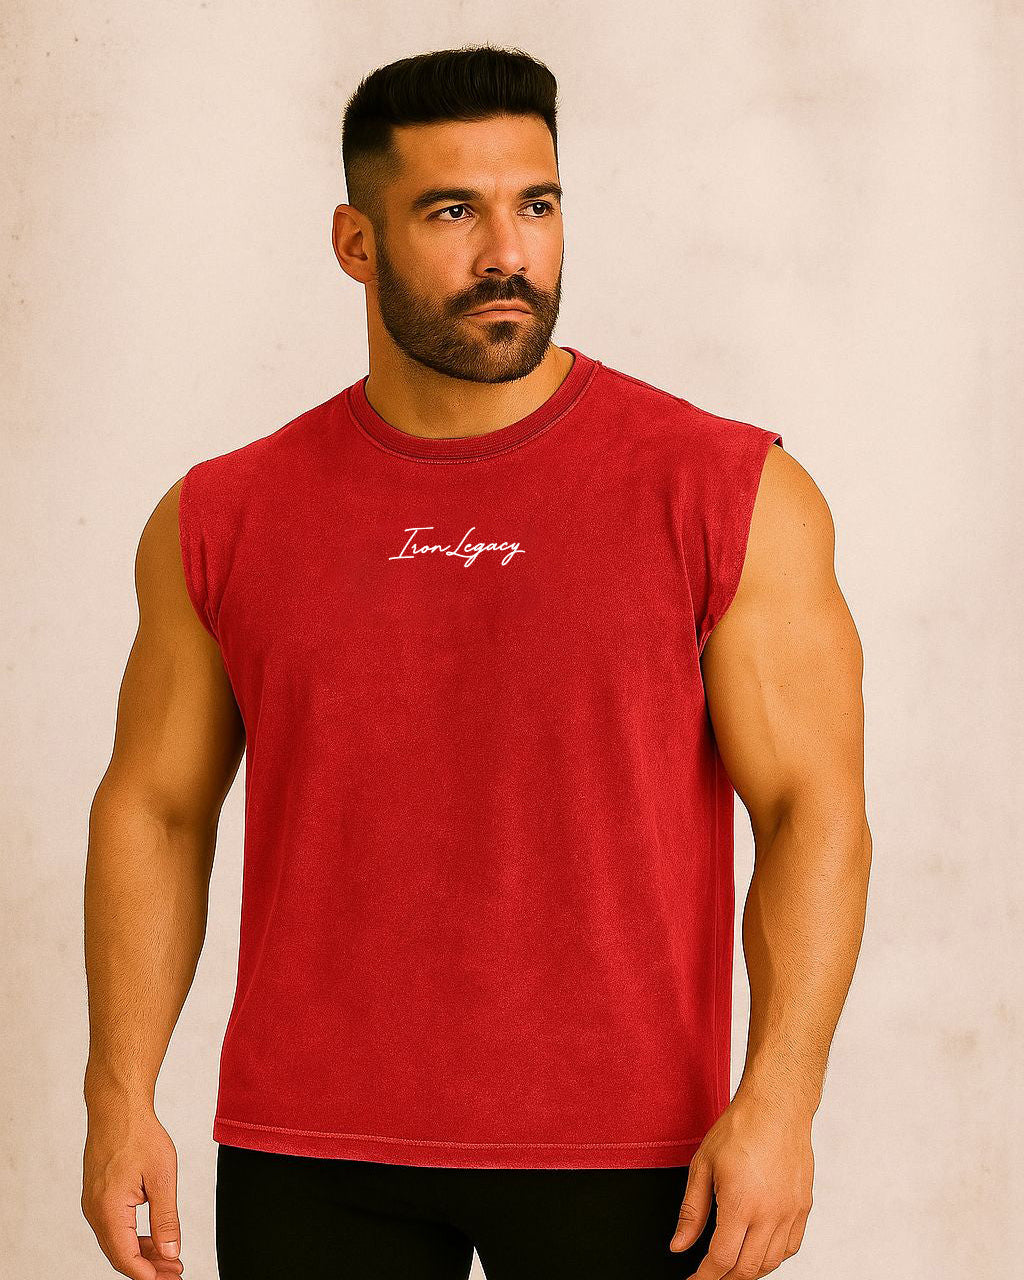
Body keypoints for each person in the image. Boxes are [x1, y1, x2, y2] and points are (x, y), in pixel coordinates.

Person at [81, 44, 872, 1280]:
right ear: (355, 243)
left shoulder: (727, 490)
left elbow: (810, 807)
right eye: (453, 211)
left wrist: (781, 1099)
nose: (508, 251)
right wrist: (118, 1091)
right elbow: (158, 807)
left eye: (536, 205)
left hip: (633, 1150)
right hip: (309, 1149)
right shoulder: (222, 514)